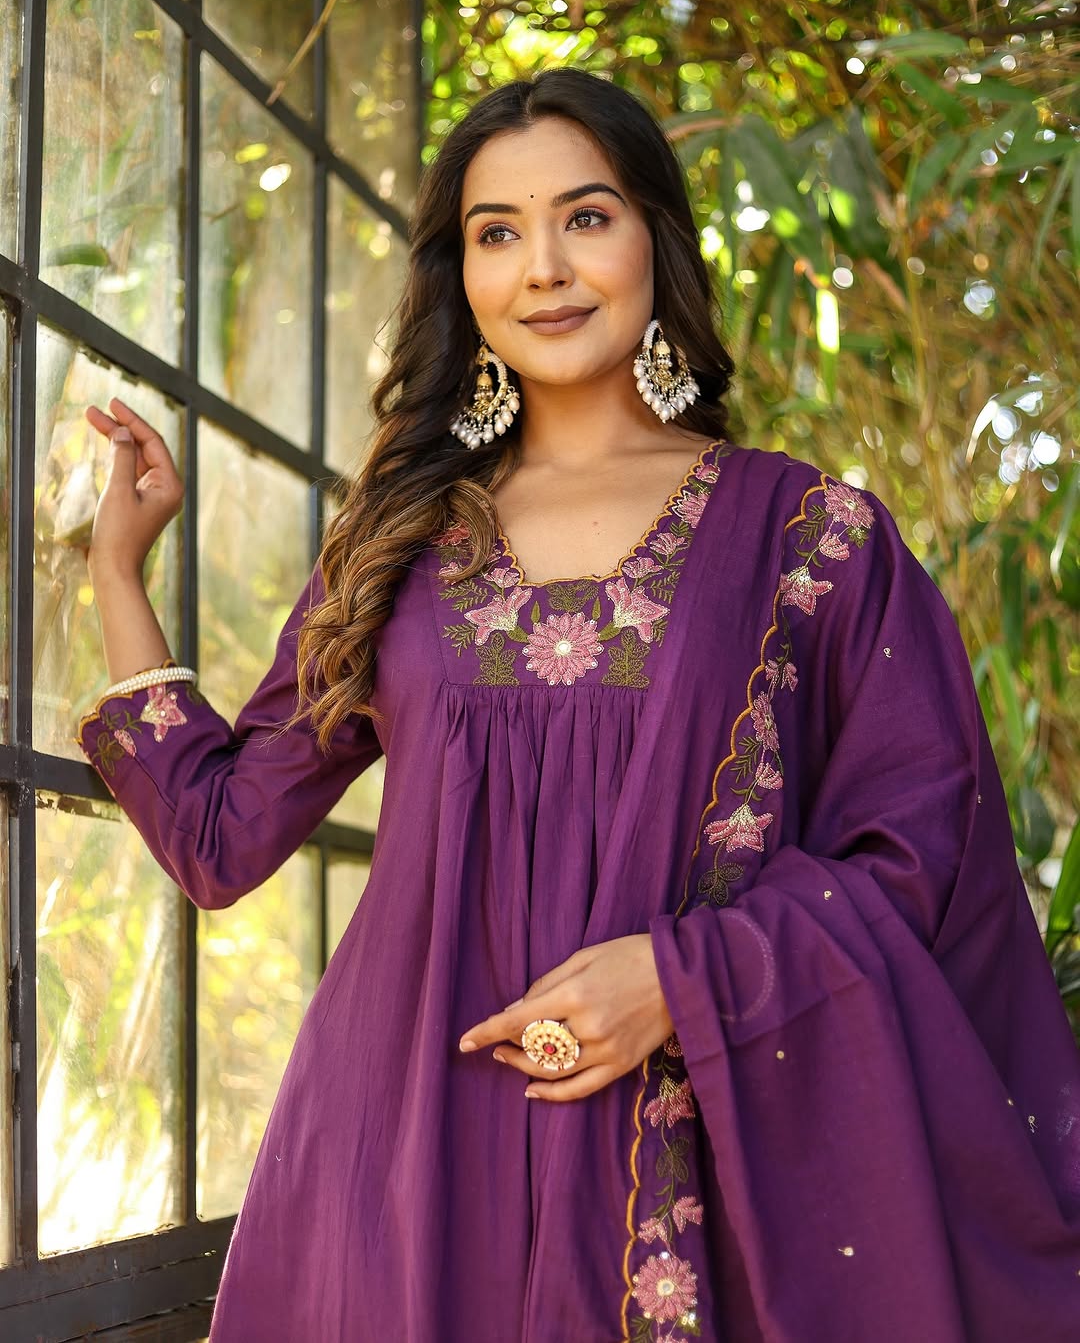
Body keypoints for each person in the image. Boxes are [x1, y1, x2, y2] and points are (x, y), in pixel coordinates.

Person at [76, 68, 1080, 1342]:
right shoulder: (395, 544)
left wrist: (682, 978)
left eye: (586, 218)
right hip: (402, 1165)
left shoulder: (814, 537)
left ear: (658, 237)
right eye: (498, 233)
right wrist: (120, 572)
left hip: (701, 1178)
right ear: (463, 276)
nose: (543, 267)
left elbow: (918, 860)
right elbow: (222, 839)